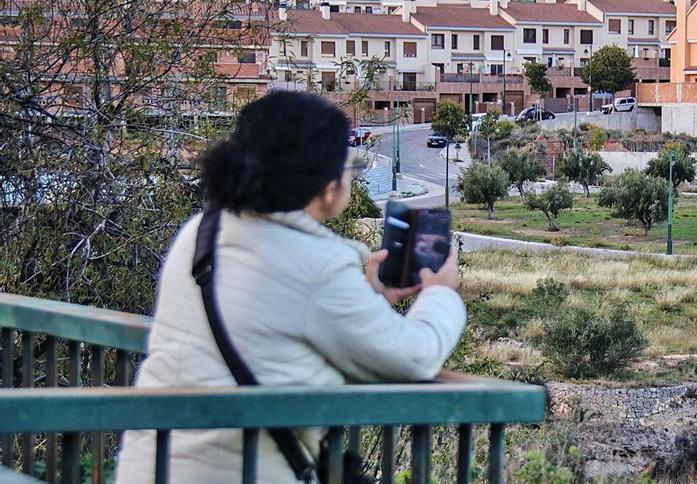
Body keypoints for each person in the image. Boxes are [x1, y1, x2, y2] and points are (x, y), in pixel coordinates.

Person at [116, 91, 466, 482]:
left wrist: (365, 296)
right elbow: (413, 358)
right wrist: (441, 293)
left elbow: (275, 315)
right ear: (328, 186)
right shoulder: (318, 266)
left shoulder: (200, 232)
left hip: (150, 468)